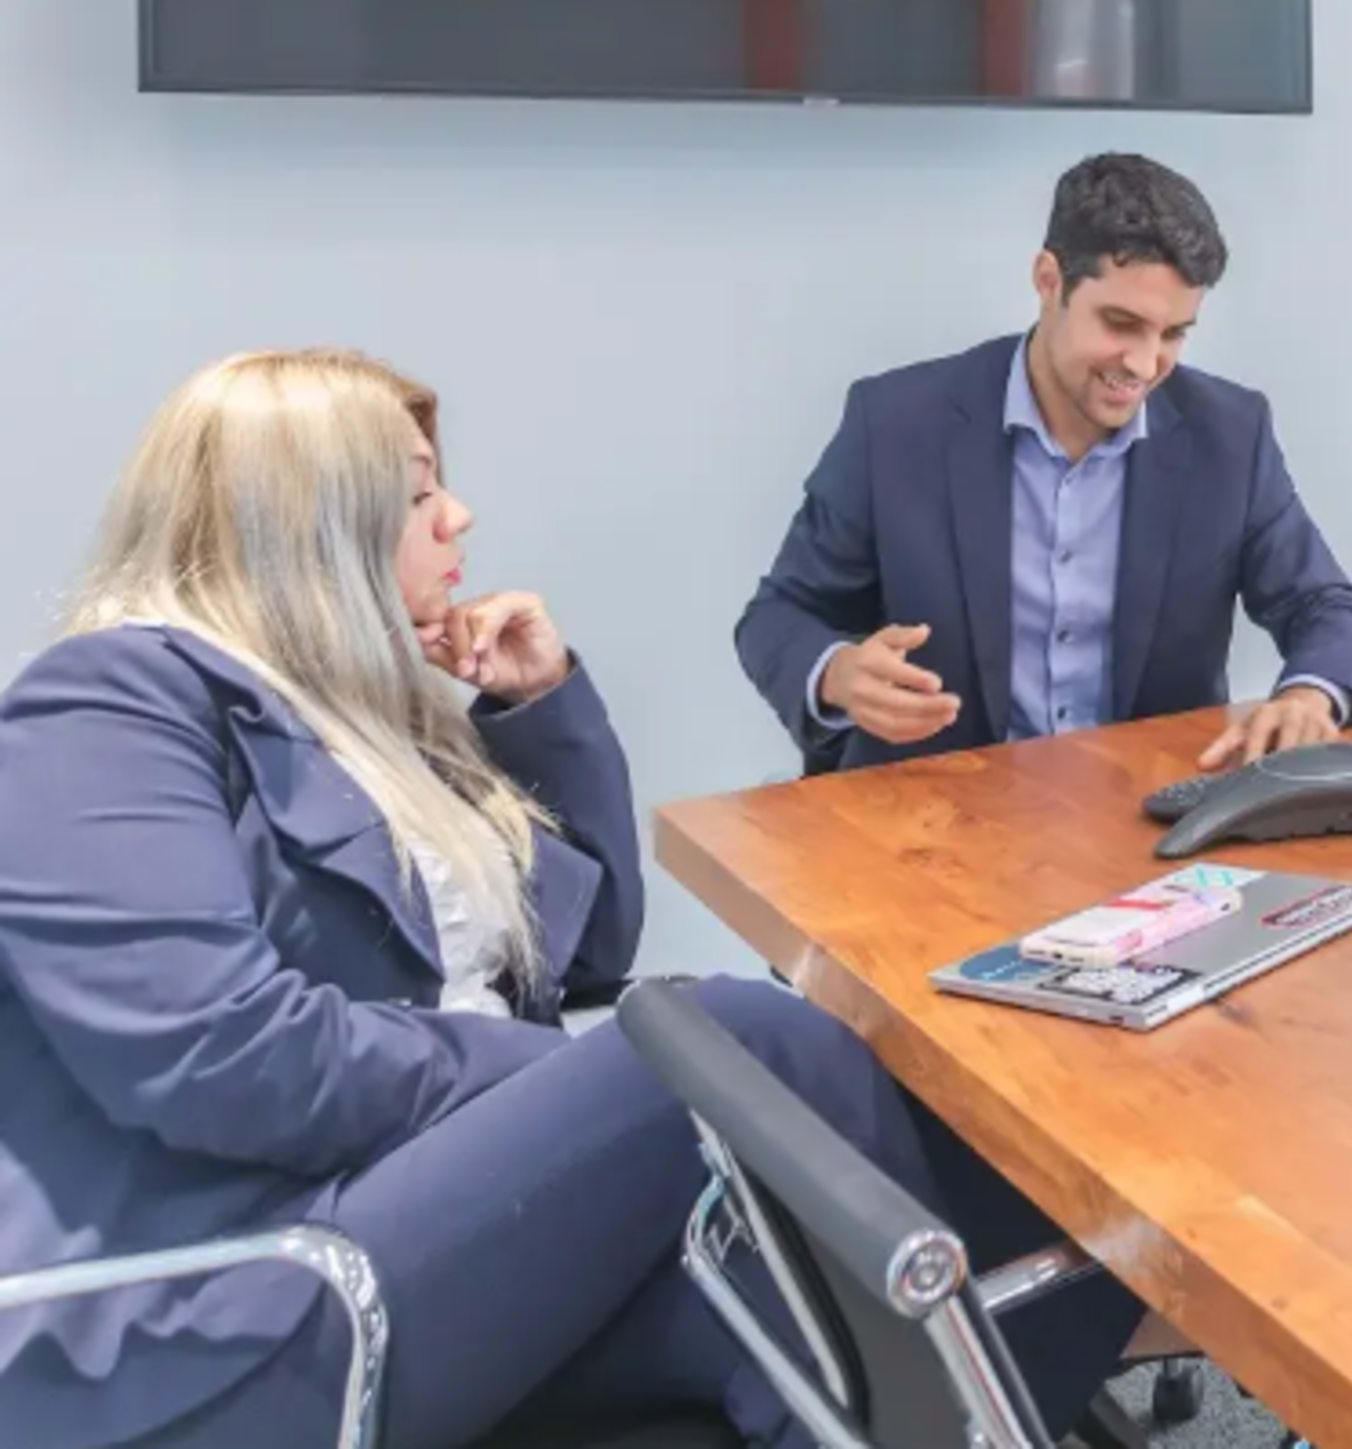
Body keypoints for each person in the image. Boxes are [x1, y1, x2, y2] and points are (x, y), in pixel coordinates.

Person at [0, 352, 1128, 1449]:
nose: (460, 518)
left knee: (1020, 1185)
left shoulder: (358, 715)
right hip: (252, 1305)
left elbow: (586, 959)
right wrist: (584, 1072)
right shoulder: (107, 703)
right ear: (305, 521)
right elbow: (224, 1057)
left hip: (429, 1227)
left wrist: (542, 709)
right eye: (420, 492)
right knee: (748, 1049)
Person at [736, 153, 1352, 775]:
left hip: (1145, 822)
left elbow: (1330, 608)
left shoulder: (1231, 436)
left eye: (1173, 333)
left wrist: (1308, 696)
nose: (1143, 362)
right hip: (935, 826)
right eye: (1120, 323)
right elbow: (778, 616)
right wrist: (837, 673)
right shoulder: (897, 423)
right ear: (1049, 281)